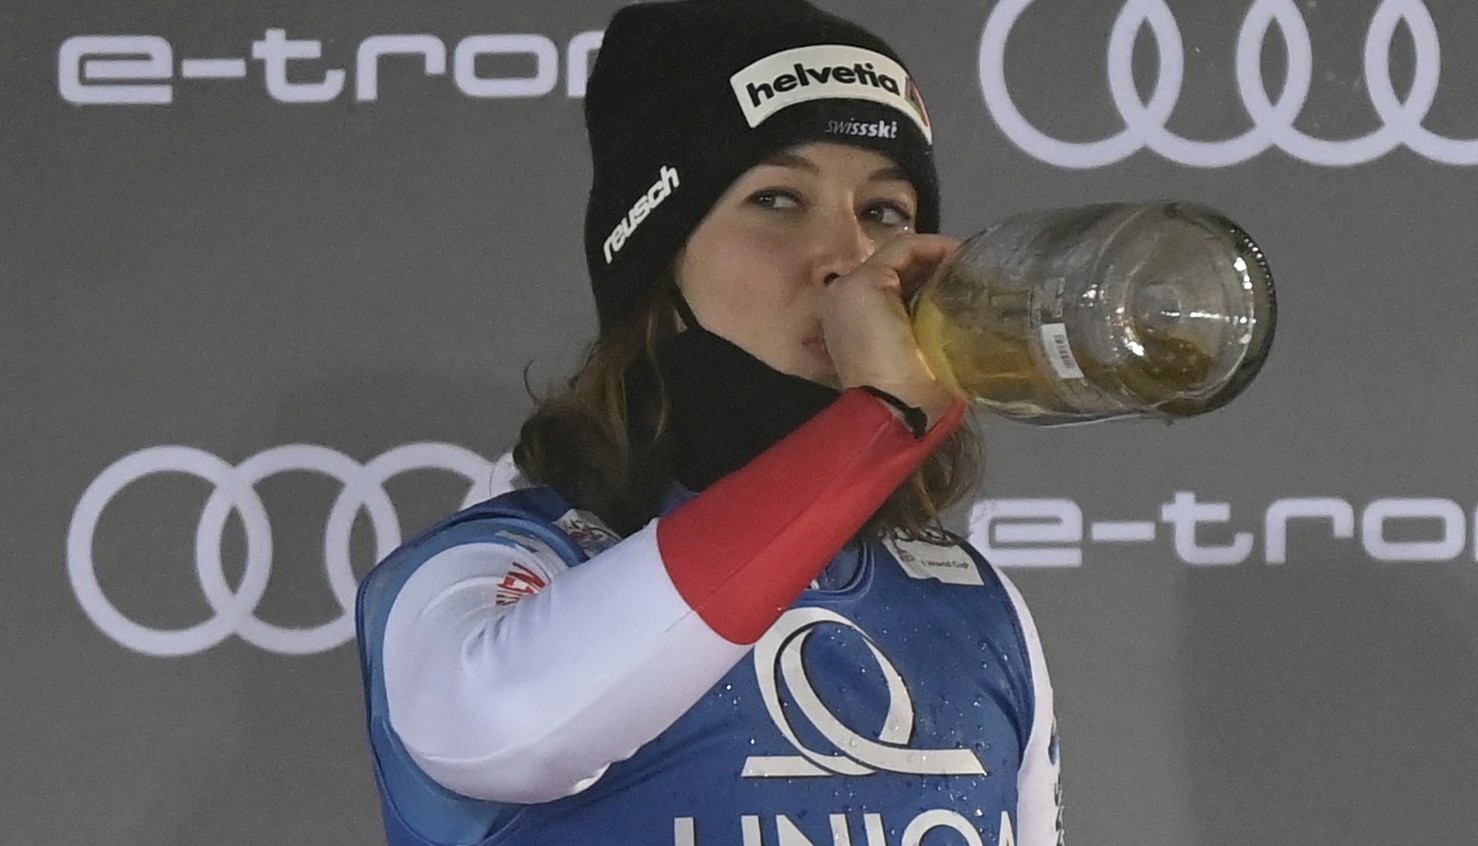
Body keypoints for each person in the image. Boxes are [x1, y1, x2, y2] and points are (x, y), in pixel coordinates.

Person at [355, 1, 1062, 844]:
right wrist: (878, 426)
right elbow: (510, 729)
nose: (847, 256)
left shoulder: (976, 605)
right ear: (655, 262)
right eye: (776, 198)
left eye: (884, 212)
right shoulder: (486, 572)